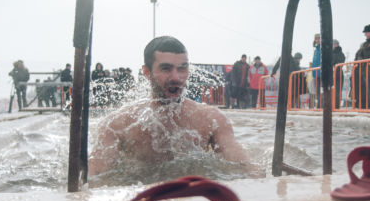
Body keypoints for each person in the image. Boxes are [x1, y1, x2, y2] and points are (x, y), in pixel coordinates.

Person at [88, 36, 250, 177]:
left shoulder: (211, 119)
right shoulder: (117, 125)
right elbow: (95, 175)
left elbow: (244, 167)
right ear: (146, 72)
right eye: (166, 69)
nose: (176, 77)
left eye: (182, 68)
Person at [332, 39, 346, 108]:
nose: (333, 45)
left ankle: (336, 106)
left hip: (338, 74)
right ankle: (330, 105)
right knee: (330, 90)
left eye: (335, 44)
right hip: (331, 74)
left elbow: (340, 62)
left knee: (337, 91)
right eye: (332, 44)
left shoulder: (340, 53)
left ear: (337, 45)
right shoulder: (329, 53)